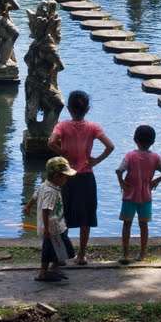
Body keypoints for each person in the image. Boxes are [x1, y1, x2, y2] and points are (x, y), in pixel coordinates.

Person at [48, 90, 114, 265]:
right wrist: (95, 161)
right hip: (86, 175)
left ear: (69, 109)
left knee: (63, 215)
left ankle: (61, 256)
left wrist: (62, 153)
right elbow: (110, 146)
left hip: (66, 176)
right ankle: (82, 255)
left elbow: (51, 142)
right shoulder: (93, 127)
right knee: (86, 216)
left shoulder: (62, 126)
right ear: (88, 109)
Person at [115, 124, 161, 264]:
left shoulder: (130, 155)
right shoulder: (155, 158)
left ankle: (125, 254)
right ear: (153, 141)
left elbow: (119, 170)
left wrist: (121, 182)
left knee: (127, 225)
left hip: (129, 196)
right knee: (144, 226)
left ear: (135, 139)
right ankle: (142, 254)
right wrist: (155, 181)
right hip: (146, 197)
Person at [26, 155, 74, 283]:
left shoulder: (45, 185)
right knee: (49, 249)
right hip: (52, 228)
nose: (66, 179)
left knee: (59, 248)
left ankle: (54, 266)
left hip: (57, 225)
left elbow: (35, 196)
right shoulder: (51, 192)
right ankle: (43, 273)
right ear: (56, 176)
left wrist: (28, 206)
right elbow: (46, 210)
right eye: (65, 176)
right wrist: (47, 229)